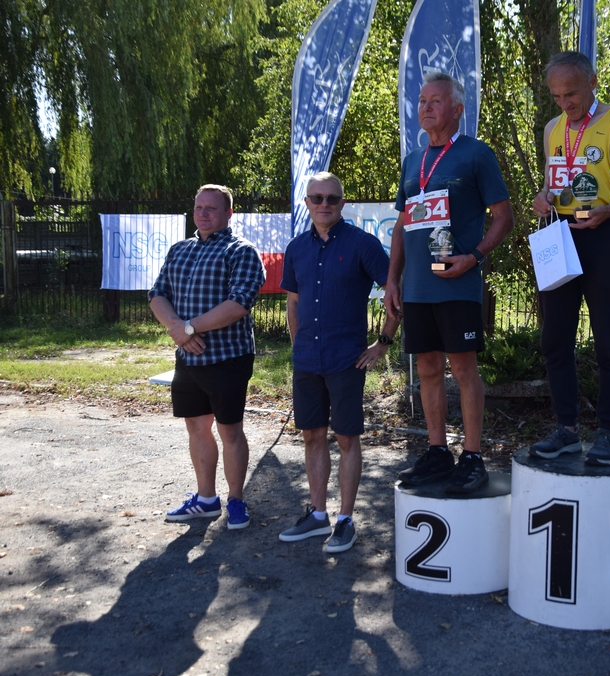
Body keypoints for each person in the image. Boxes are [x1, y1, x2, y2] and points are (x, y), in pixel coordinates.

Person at [529, 51, 610, 466]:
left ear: (593, 82)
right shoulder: (552, 129)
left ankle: (608, 432)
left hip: (604, 235)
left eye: (571, 93)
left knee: (607, 337)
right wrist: (542, 198)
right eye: (556, 96)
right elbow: (554, 184)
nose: (564, 103)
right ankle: (566, 430)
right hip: (560, 235)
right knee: (554, 338)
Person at [383, 72, 513, 494]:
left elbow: (504, 217)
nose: (426, 107)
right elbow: (401, 227)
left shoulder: (476, 154)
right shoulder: (412, 161)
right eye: (422, 101)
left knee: (463, 368)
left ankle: (472, 457)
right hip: (418, 287)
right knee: (427, 367)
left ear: (457, 109)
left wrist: (474, 256)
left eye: (436, 101)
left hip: (457, 284)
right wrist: (392, 280)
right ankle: (437, 452)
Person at [277, 172, 400, 552]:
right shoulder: (297, 248)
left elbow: (395, 293)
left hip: (346, 359)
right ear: (307, 203)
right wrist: (297, 346)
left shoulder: (362, 244)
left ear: (342, 203)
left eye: (332, 198)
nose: (324, 204)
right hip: (307, 360)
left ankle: (345, 520)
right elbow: (293, 302)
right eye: (317, 198)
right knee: (312, 435)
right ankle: (318, 516)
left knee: (347, 438)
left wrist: (383, 343)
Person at [149, 184, 266, 528]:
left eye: (211, 208)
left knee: (230, 431)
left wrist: (187, 328)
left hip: (227, 357)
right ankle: (206, 500)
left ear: (228, 213)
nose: (203, 213)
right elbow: (157, 294)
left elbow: (239, 304)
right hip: (189, 360)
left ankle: (236, 501)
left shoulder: (241, 251)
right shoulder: (179, 250)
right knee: (197, 428)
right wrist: (176, 328)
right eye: (199, 207)